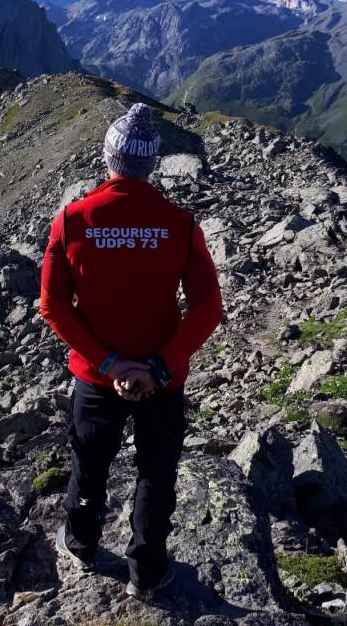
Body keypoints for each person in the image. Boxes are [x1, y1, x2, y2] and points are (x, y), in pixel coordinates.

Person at [39, 101, 223, 600]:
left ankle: (81, 546)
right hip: (160, 378)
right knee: (155, 473)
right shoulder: (180, 224)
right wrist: (158, 367)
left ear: (109, 158)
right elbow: (208, 309)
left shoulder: (72, 221)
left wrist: (108, 362)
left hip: (96, 376)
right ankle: (147, 572)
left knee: (89, 466)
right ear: (152, 162)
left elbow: (53, 305)